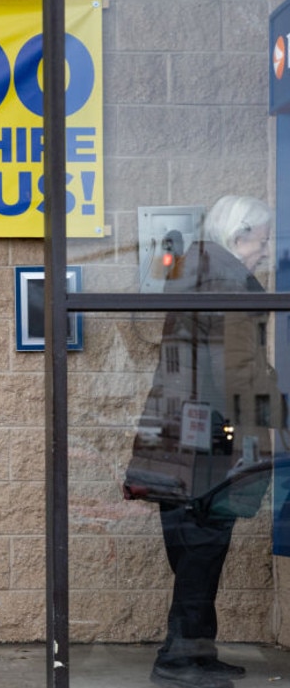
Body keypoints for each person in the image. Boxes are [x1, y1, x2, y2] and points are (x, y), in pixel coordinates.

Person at [137, 195, 281, 688]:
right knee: (202, 546)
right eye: (262, 242)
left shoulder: (200, 272)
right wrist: (276, 419)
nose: (266, 252)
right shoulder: (228, 281)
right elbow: (238, 372)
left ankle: (195, 651)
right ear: (239, 236)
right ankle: (179, 659)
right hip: (207, 441)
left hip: (184, 436)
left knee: (197, 548)